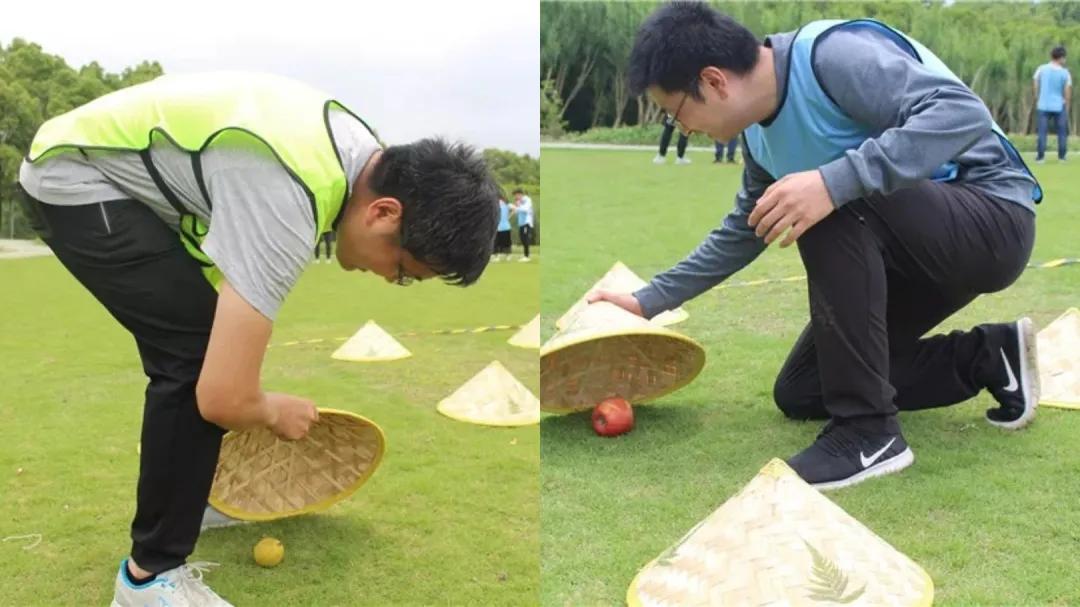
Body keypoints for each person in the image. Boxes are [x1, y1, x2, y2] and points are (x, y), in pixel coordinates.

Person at [16, 71, 499, 606]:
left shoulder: (354, 157)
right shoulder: (289, 193)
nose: (393, 280)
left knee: (205, 346)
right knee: (195, 357)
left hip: (117, 178)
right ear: (384, 212)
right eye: (405, 269)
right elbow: (221, 396)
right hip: (76, 179)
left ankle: (195, 495)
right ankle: (147, 580)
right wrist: (270, 411)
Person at [591, 3, 1042, 491]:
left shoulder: (832, 57)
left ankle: (868, 434)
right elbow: (748, 225)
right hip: (910, 256)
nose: (685, 131)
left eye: (677, 114)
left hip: (991, 218)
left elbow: (962, 113)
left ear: (715, 81)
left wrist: (833, 182)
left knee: (821, 197)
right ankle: (990, 356)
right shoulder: (759, 138)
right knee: (804, 389)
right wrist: (647, 300)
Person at [1033, 46, 1071, 163]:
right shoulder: (1065, 73)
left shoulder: (1042, 68)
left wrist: (1036, 96)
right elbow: (1067, 90)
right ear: (1061, 58)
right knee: (1062, 133)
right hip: (1059, 105)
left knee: (1042, 132)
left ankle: (1040, 157)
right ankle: (1062, 157)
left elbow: (1035, 81)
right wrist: (1067, 103)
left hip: (1043, 105)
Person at [511, 188, 534, 262]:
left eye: (516, 195)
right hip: (521, 223)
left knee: (525, 239)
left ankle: (526, 256)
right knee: (522, 238)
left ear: (520, 194)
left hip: (526, 223)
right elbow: (518, 212)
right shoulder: (519, 202)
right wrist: (516, 208)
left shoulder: (527, 200)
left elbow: (526, 209)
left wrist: (517, 207)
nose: (515, 197)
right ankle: (525, 255)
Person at [494, 195, 514, 261]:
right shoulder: (496, 206)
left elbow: (514, 209)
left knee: (506, 242)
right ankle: (498, 256)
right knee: (498, 242)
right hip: (498, 227)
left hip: (505, 227)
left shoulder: (507, 205)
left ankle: (506, 255)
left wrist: (508, 216)